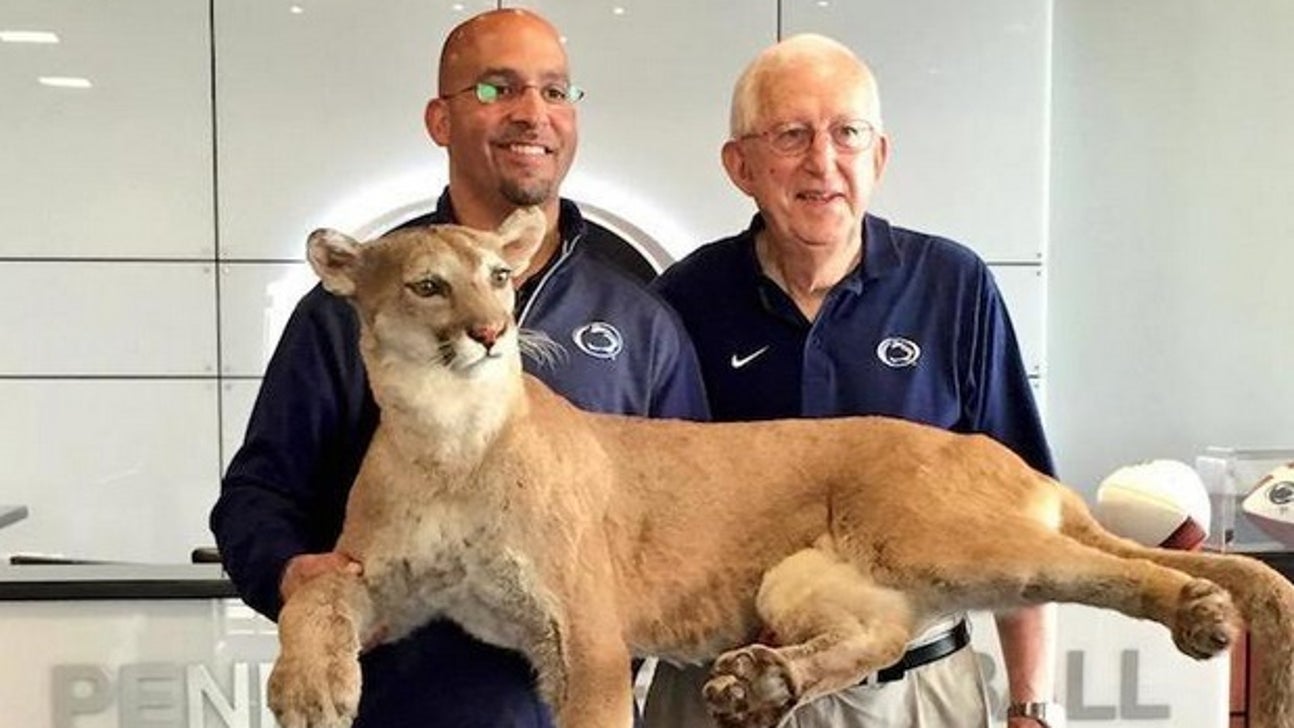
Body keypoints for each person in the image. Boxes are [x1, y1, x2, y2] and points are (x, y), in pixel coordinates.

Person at [210, 9, 707, 727]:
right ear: (439, 120)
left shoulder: (639, 320)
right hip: (400, 706)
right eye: (495, 90)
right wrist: (295, 577)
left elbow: (682, 518)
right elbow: (258, 495)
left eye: (554, 92)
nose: (532, 114)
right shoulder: (355, 306)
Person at [644, 34, 1059, 728]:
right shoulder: (681, 302)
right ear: (739, 165)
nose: (822, 161)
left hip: (914, 691)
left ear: (880, 155)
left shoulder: (952, 287)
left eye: (847, 133)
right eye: (791, 135)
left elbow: (1022, 516)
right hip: (727, 691)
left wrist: (1031, 705)